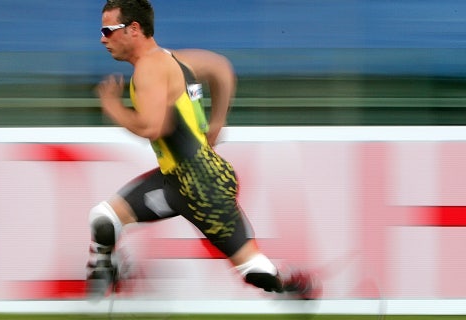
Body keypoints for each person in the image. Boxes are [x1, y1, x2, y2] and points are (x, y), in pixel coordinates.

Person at [87, 0, 320, 300]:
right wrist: (217, 122)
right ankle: (108, 267)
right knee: (105, 218)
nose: (102, 39)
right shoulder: (177, 60)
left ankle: (295, 286)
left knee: (252, 268)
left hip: (198, 187)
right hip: (181, 182)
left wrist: (112, 107)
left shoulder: (149, 69)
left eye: (108, 30)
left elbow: (151, 128)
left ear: (134, 29)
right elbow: (221, 68)